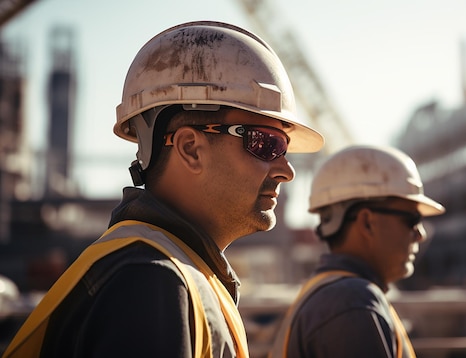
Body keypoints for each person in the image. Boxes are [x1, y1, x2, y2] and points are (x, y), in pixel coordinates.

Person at [3, 21, 324, 358]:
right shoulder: (150, 280)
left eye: (284, 147)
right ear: (190, 148)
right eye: (264, 143)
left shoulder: (172, 272)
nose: (286, 170)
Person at [270, 145, 445, 358]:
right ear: (367, 222)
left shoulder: (334, 293)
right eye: (411, 220)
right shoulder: (352, 302)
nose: (420, 234)